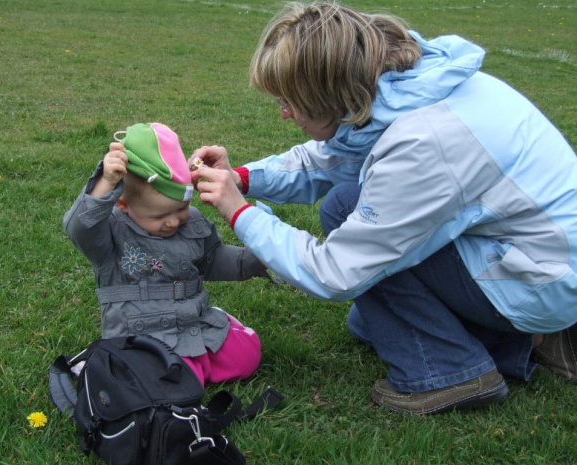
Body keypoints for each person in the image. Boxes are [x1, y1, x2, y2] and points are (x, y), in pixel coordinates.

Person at [189, 1, 577, 413]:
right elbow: (334, 154)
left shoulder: (424, 141)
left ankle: (451, 373)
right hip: (540, 257)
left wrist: (241, 213)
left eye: (289, 101)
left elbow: (337, 272)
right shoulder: (402, 88)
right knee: (366, 322)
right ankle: (529, 340)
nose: (284, 114)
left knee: (344, 210)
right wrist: (244, 179)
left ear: (328, 95)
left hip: (542, 277)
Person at [63, 122, 268, 386]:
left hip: (194, 322)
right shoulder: (110, 233)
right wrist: (105, 183)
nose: (173, 221)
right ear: (123, 204)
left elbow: (213, 259)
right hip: (143, 338)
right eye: (160, 216)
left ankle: (210, 345)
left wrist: (254, 260)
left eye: (181, 209)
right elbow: (80, 228)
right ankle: (119, 367)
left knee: (246, 355)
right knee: (171, 378)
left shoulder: (191, 223)